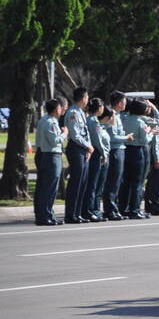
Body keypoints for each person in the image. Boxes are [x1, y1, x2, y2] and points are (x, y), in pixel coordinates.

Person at [33, 99, 68, 225]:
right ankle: (45, 216)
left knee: (43, 187)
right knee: (49, 188)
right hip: (51, 155)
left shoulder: (44, 120)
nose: (62, 109)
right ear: (55, 109)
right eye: (60, 107)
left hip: (43, 154)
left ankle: (45, 214)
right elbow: (55, 140)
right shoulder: (50, 122)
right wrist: (64, 133)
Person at [64, 87, 94, 224]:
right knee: (76, 182)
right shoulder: (73, 113)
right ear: (83, 98)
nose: (88, 99)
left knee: (82, 182)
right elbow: (75, 134)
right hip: (76, 148)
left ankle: (78, 213)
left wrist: (88, 149)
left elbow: (85, 133)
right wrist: (87, 146)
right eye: (87, 97)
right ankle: (71, 214)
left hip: (83, 149)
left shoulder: (81, 112)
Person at [102, 91, 133, 220]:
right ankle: (110, 210)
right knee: (113, 182)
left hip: (120, 150)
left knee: (117, 182)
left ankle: (113, 209)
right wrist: (127, 137)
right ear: (120, 103)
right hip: (115, 151)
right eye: (124, 101)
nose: (125, 104)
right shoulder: (112, 115)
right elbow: (113, 136)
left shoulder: (118, 115)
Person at [121, 99, 152, 219]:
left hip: (127, 150)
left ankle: (124, 208)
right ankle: (135, 209)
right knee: (138, 182)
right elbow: (145, 140)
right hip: (139, 151)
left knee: (127, 181)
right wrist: (151, 133)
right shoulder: (141, 122)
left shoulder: (125, 119)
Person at [82, 98, 109, 222]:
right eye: (102, 106)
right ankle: (90, 211)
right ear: (99, 108)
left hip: (91, 152)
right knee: (92, 184)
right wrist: (104, 153)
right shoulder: (93, 121)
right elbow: (97, 140)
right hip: (95, 153)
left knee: (92, 184)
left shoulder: (89, 120)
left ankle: (91, 210)